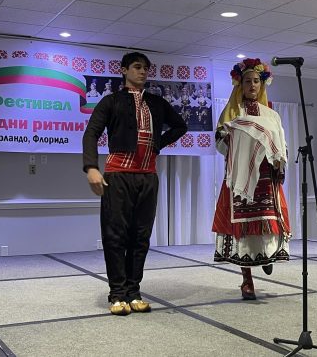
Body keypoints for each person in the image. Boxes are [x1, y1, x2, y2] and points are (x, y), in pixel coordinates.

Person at [82, 52, 187, 315]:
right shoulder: (111, 101)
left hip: (148, 176)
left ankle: (134, 291)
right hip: (118, 175)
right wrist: (91, 167)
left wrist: (158, 144)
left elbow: (180, 126)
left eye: (146, 68)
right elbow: (91, 133)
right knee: (115, 235)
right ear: (124, 70)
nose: (143, 72)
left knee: (141, 237)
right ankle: (117, 293)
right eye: (137, 67)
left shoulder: (156, 102)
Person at [212, 57, 291, 300]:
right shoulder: (232, 112)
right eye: (248, 81)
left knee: (268, 222)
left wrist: (280, 161)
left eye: (256, 81)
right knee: (242, 229)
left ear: (262, 84)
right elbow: (220, 144)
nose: (252, 85)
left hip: (266, 178)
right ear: (240, 84)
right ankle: (247, 279)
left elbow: (281, 144)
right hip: (240, 178)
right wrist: (229, 138)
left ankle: (266, 256)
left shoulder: (271, 115)